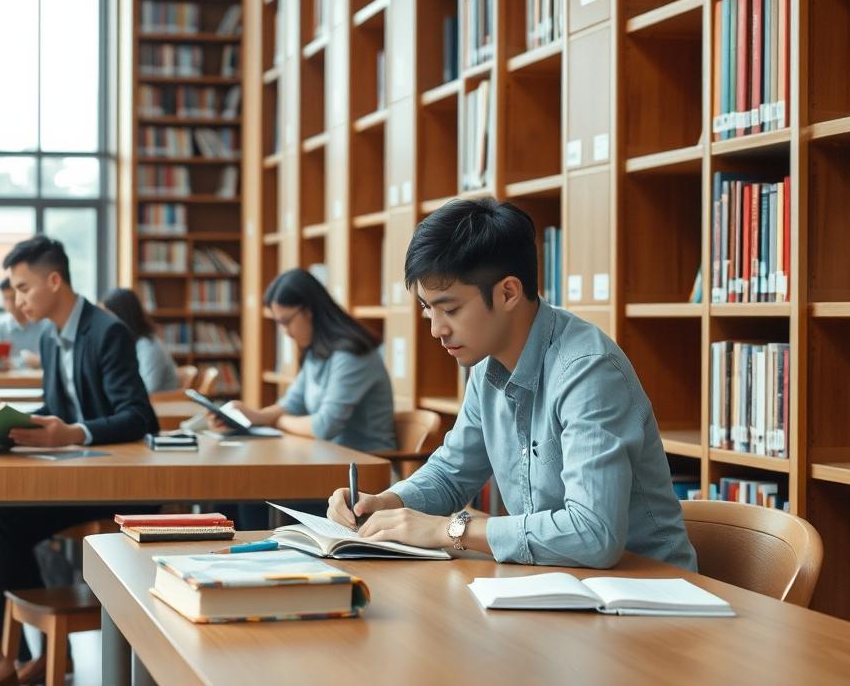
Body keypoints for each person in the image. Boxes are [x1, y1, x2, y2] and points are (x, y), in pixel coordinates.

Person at [326, 198, 697, 572]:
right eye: (428, 309)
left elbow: (593, 535)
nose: (437, 329)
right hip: (559, 588)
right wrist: (388, 503)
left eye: (450, 309)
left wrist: (450, 530)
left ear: (508, 293)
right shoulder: (486, 364)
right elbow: (451, 473)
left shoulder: (588, 371)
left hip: (647, 592)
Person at [0, 235, 158, 686]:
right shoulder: (51, 338)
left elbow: (140, 417)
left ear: (54, 280)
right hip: (80, 475)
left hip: (118, 484)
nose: (18, 300)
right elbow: (57, 407)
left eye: (23, 288)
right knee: (1, 518)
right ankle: (6, 652)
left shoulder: (108, 333)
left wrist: (75, 434)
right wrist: (5, 419)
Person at [208, 268, 395, 452]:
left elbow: (324, 426)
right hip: (331, 458)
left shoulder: (352, 354)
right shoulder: (318, 351)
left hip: (367, 467)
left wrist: (276, 421)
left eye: (286, 322)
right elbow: (291, 404)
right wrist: (250, 416)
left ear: (308, 311)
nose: (285, 333)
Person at [99, 287, 179, 393]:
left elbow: (148, 389)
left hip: (160, 406)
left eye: (110, 316)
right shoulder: (129, 344)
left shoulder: (149, 347)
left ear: (123, 317)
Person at [0, 277, 52, 370]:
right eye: (5, 299)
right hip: (9, 383)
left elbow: (53, 360)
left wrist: (13, 362)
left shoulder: (45, 324)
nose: (10, 304)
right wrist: (25, 361)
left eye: (13, 298)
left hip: (38, 383)